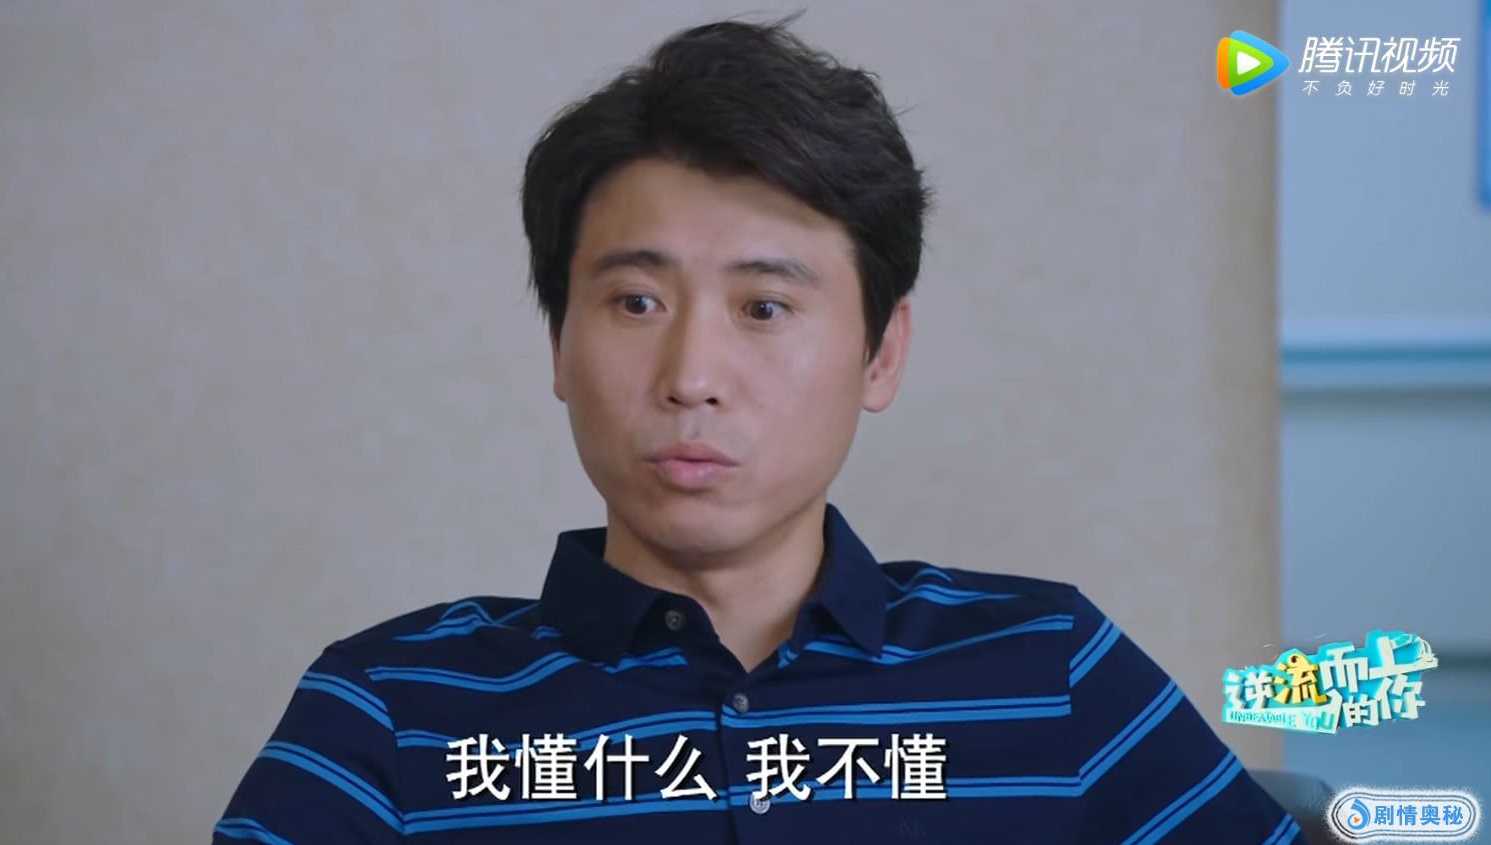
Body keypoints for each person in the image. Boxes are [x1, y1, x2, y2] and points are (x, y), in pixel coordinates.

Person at [214, 15, 1304, 844]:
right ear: (558, 344)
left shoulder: (1051, 669)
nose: (691, 377)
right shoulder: (391, 713)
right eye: (636, 301)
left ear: (880, 354)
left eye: (765, 307)